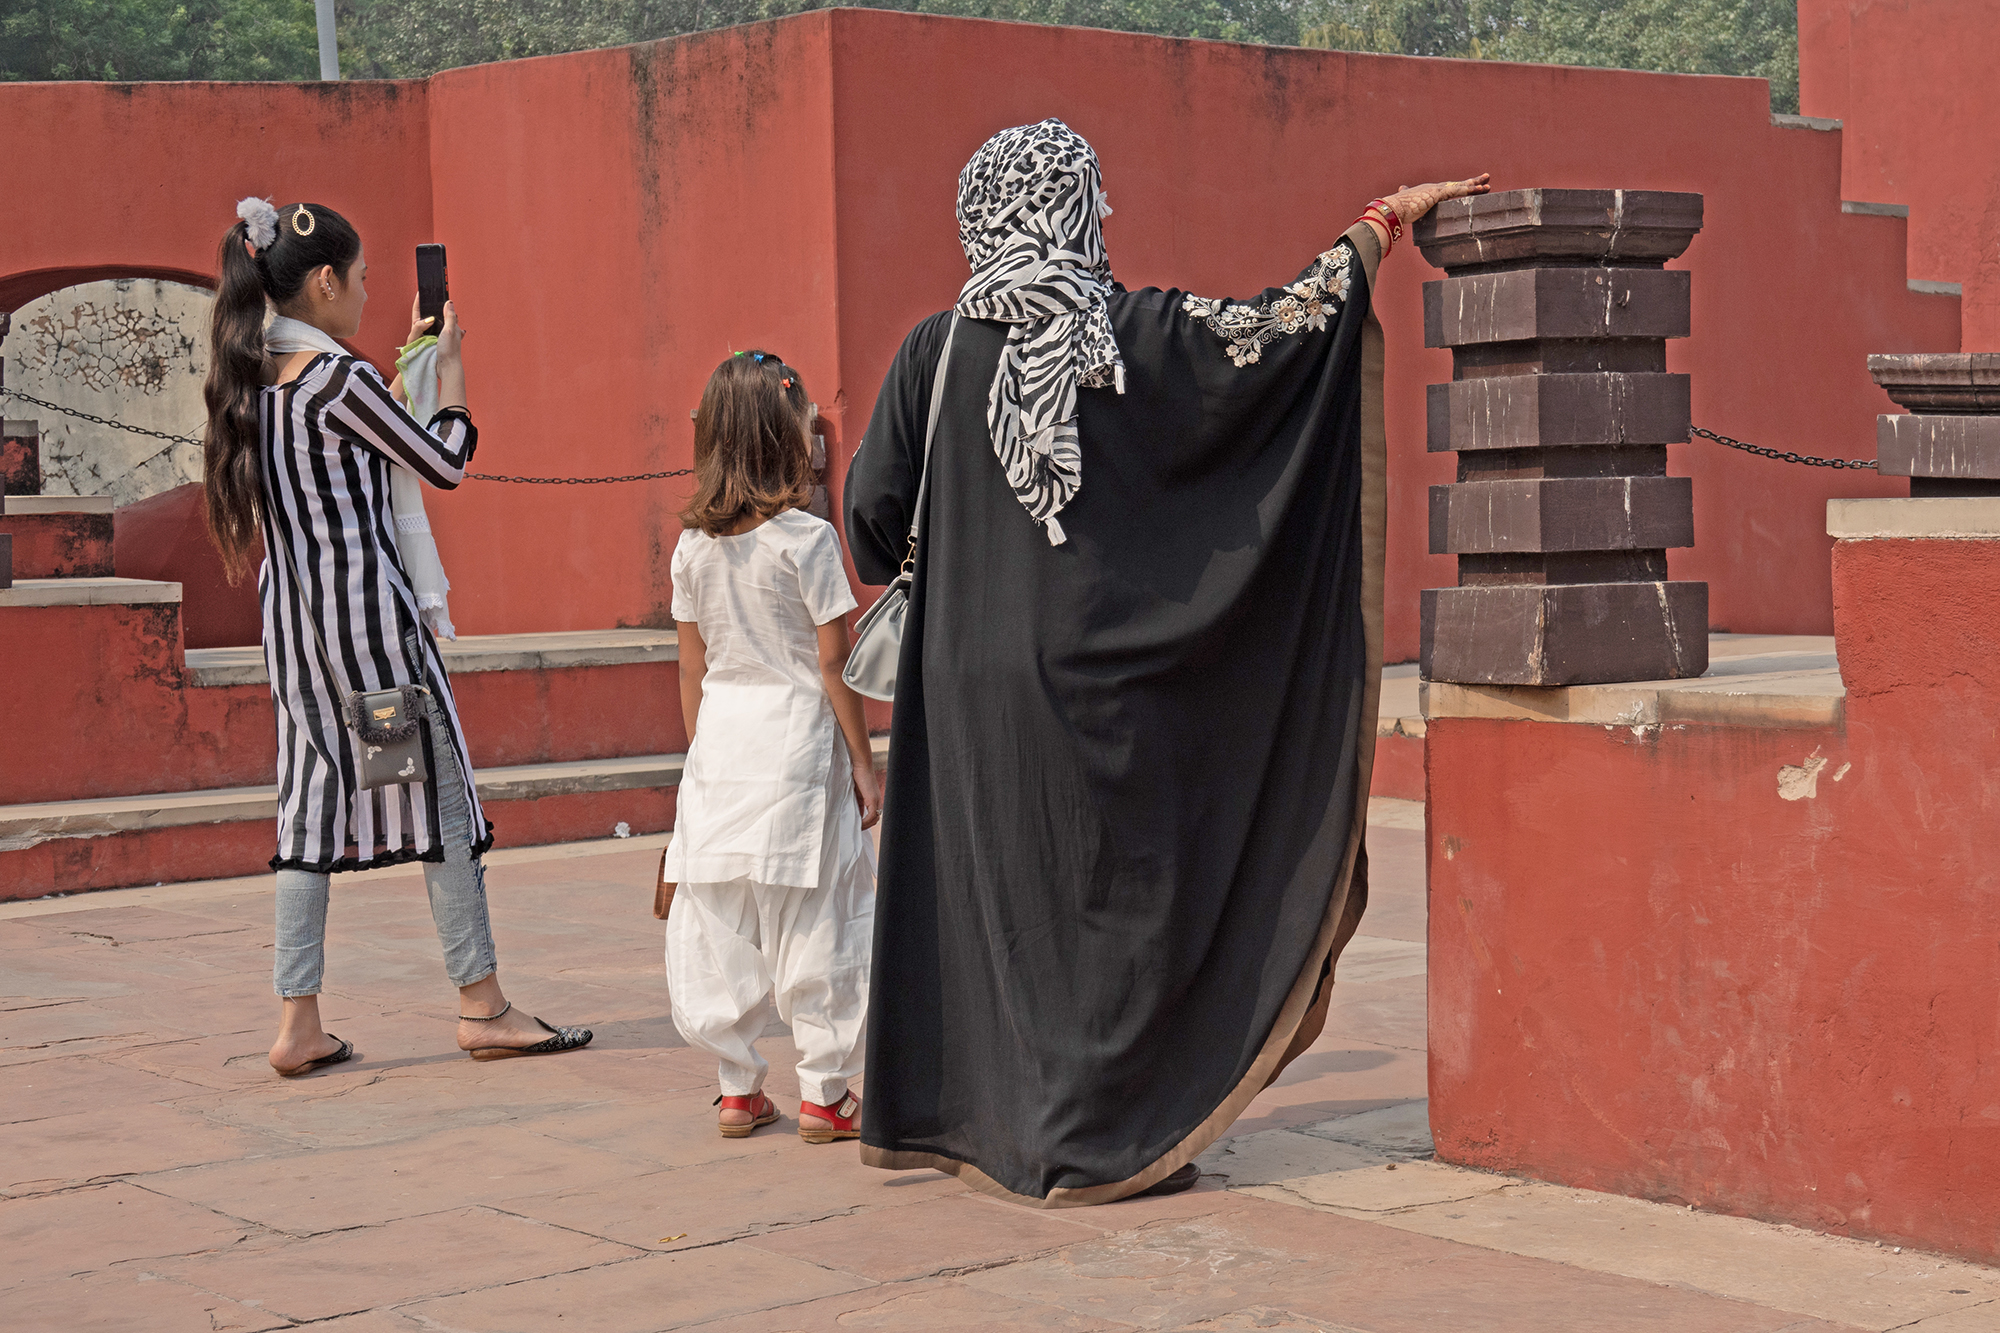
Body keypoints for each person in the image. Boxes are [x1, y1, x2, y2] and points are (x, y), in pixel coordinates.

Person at [845, 119, 1488, 1205]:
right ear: (1078, 207)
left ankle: (998, 1131)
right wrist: (1379, 225)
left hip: (967, 688)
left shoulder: (933, 349)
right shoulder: (1141, 334)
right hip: (1108, 687)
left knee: (1005, 897)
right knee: (1112, 906)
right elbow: (1276, 335)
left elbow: (870, 523)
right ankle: (1100, 1140)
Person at [203, 197, 592, 1077]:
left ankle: (298, 1020)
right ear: (329, 280)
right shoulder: (340, 384)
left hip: (297, 639)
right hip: (373, 636)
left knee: (304, 810)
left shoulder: (253, 380)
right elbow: (442, 459)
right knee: (442, 801)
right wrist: (449, 370)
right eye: (365, 279)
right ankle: (481, 1003)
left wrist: (407, 364)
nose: (371, 294)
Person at [662, 351, 882, 1142]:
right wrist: (863, 760)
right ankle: (825, 1090)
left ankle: (737, 1086)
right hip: (797, 748)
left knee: (727, 916)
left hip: (721, 746)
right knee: (814, 913)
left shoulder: (691, 549)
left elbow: (692, 664)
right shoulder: (808, 541)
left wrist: (702, 758)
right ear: (782, 439)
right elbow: (834, 661)